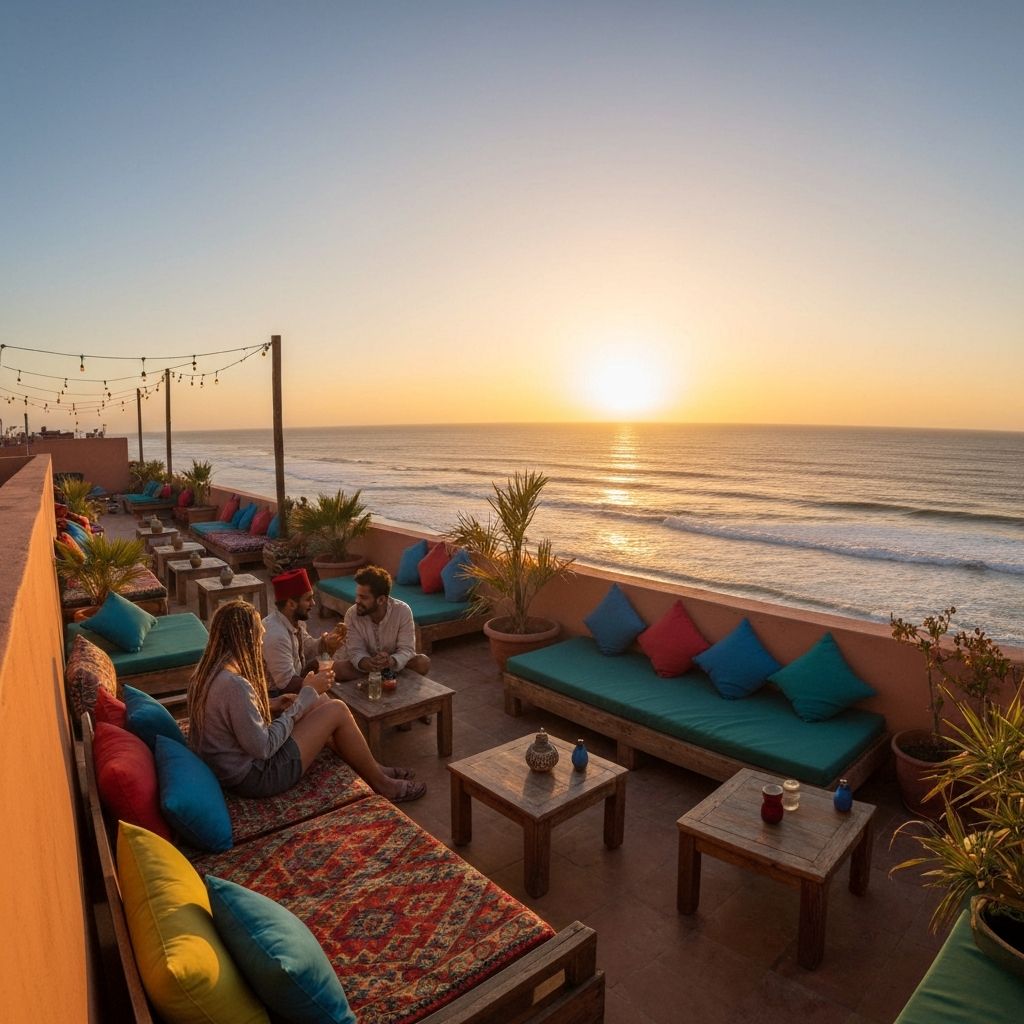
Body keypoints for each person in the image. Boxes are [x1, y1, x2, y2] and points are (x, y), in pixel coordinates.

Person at [187, 599, 425, 802]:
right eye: (259, 636)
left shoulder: (208, 674)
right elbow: (264, 748)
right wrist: (303, 698)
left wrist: (275, 704)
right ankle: (383, 784)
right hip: (255, 777)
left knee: (320, 701)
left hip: (234, 766)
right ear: (246, 639)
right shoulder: (235, 685)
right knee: (336, 709)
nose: (261, 643)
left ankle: (373, 768)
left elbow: (230, 717)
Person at [333, 565, 431, 680]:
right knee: (337, 669)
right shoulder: (352, 614)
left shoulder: (402, 611)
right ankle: (386, 677)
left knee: (422, 662)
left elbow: (406, 649)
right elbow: (355, 650)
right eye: (357, 595)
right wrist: (366, 662)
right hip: (365, 667)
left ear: (381, 600)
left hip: (392, 665)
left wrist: (391, 661)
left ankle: (383, 677)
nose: (357, 601)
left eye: (363, 597)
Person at [263, 568, 347, 695]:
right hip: (277, 697)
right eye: (308, 599)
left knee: (336, 668)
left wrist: (327, 643)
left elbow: (308, 650)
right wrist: (316, 684)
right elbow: (287, 684)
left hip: (296, 683)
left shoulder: (297, 621)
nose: (313, 603)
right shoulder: (276, 635)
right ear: (291, 604)